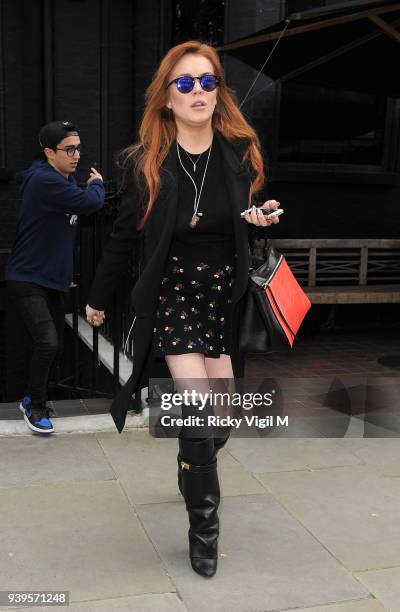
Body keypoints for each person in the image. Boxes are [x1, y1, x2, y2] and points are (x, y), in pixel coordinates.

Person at [86, 41, 280, 577]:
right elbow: (124, 238)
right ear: (166, 98)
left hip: (224, 298)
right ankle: (205, 534)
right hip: (174, 298)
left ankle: (191, 460)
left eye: (208, 81)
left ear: (220, 94)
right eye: (185, 83)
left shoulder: (240, 153)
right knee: (196, 415)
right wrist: (98, 298)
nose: (198, 91)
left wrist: (260, 219)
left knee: (220, 420)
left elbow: (250, 219)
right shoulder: (145, 162)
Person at [6, 120, 105, 434]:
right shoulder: (46, 182)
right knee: (47, 342)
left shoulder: (62, 181)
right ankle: (35, 406)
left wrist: (68, 272)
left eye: (78, 148)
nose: (76, 155)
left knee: (54, 346)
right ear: (50, 152)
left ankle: (31, 398)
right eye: (69, 149)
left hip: (50, 278)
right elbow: (92, 204)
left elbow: (62, 234)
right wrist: (98, 183)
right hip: (26, 277)